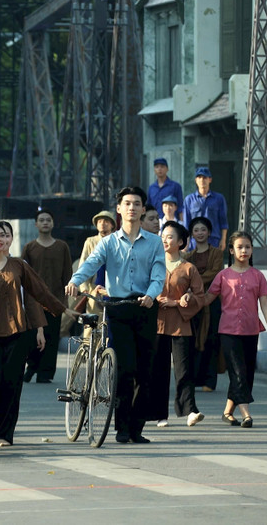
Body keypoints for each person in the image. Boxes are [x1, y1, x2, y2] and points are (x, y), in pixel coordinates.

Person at [66, 186, 166, 444]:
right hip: (117, 309)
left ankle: (137, 428)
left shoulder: (155, 242)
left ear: (143, 210)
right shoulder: (108, 242)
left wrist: (151, 295)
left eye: (136, 204)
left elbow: (158, 274)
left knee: (145, 372)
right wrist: (76, 280)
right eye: (127, 204)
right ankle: (121, 427)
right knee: (125, 368)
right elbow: (90, 264)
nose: (132, 208)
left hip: (144, 307)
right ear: (119, 209)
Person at [0, 221, 75, 447]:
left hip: (18, 332)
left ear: (10, 239)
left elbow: (38, 291)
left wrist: (62, 308)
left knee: (12, 385)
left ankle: (4, 434)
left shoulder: (19, 265)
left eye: (4, 235)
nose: (0, 239)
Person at [205, 231, 267, 428]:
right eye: (239, 247)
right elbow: (207, 299)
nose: (244, 250)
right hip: (228, 332)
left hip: (251, 331)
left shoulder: (258, 276)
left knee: (247, 374)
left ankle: (228, 412)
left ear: (252, 250)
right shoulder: (223, 276)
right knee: (237, 372)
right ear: (231, 250)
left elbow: (265, 305)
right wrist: (187, 298)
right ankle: (247, 414)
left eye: (247, 247)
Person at [148, 222, 205, 428]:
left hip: (181, 323)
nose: (165, 239)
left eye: (170, 236)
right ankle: (159, 414)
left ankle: (190, 410)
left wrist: (186, 298)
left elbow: (200, 296)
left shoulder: (189, 268)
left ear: (181, 242)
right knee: (158, 370)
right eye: (163, 236)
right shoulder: (153, 264)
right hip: (157, 323)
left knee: (183, 370)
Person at [22, 210, 72, 383]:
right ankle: (31, 366)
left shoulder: (62, 246)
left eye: (48, 220)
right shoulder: (29, 247)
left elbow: (67, 274)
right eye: (41, 220)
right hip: (34, 300)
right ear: (36, 224)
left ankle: (45, 373)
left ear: (53, 224)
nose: (45, 223)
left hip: (55, 300)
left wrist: (65, 300)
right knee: (32, 336)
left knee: (51, 337)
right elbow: (24, 274)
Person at [184, 217, 224, 392]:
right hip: (193, 302)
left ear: (209, 232)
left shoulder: (217, 253)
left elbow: (216, 273)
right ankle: (193, 379)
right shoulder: (187, 257)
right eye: (196, 230)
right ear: (192, 234)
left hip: (212, 300)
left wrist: (196, 282)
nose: (200, 233)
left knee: (211, 339)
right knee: (192, 340)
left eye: (203, 229)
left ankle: (209, 380)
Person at [78, 211, 116, 314]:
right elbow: (83, 265)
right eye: (99, 221)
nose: (102, 223)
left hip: (114, 289)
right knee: (91, 325)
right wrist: (84, 288)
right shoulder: (90, 242)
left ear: (112, 225)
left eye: (106, 221)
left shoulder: (117, 241)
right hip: (95, 289)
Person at [184, 167, 228, 249]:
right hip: (195, 242)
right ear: (196, 180)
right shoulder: (189, 200)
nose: (202, 180)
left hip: (213, 240)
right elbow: (187, 224)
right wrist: (186, 243)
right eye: (199, 177)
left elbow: (223, 222)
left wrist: (223, 239)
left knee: (213, 262)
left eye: (205, 177)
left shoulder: (219, 199)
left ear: (210, 180)